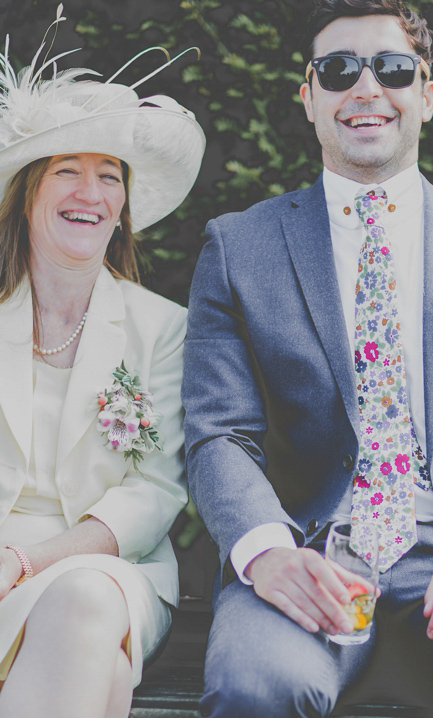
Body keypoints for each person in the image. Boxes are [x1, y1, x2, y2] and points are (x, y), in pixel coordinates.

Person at [181, 1, 433, 716]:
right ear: (310, 97)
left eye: (393, 69)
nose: (367, 88)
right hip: (308, 552)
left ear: (427, 97)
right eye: (340, 70)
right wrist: (267, 552)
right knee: (256, 685)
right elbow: (218, 433)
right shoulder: (238, 246)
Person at [0, 15, 204, 718]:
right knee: (105, 684)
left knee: (83, 602)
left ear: (122, 207)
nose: (90, 193)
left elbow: (152, 496)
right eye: (67, 172)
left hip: (112, 571)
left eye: (108, 176)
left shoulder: (164, 330)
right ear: (27, 194)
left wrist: (25, 563)